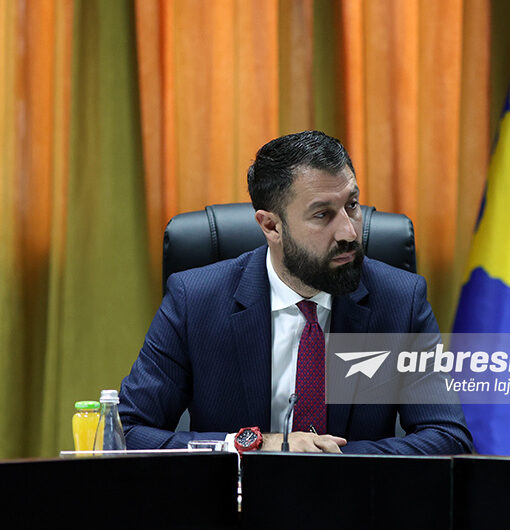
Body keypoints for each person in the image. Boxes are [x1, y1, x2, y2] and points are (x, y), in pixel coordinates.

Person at [118, 130, 473, 454]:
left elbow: (448, 437)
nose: (349, 232)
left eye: (351, 205)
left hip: (354, 500)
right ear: (271, 226)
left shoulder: (400, 300)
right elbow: (125, 432)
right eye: (322, 215)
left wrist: (333, 460)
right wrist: (256, 446)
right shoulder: (195, 301)